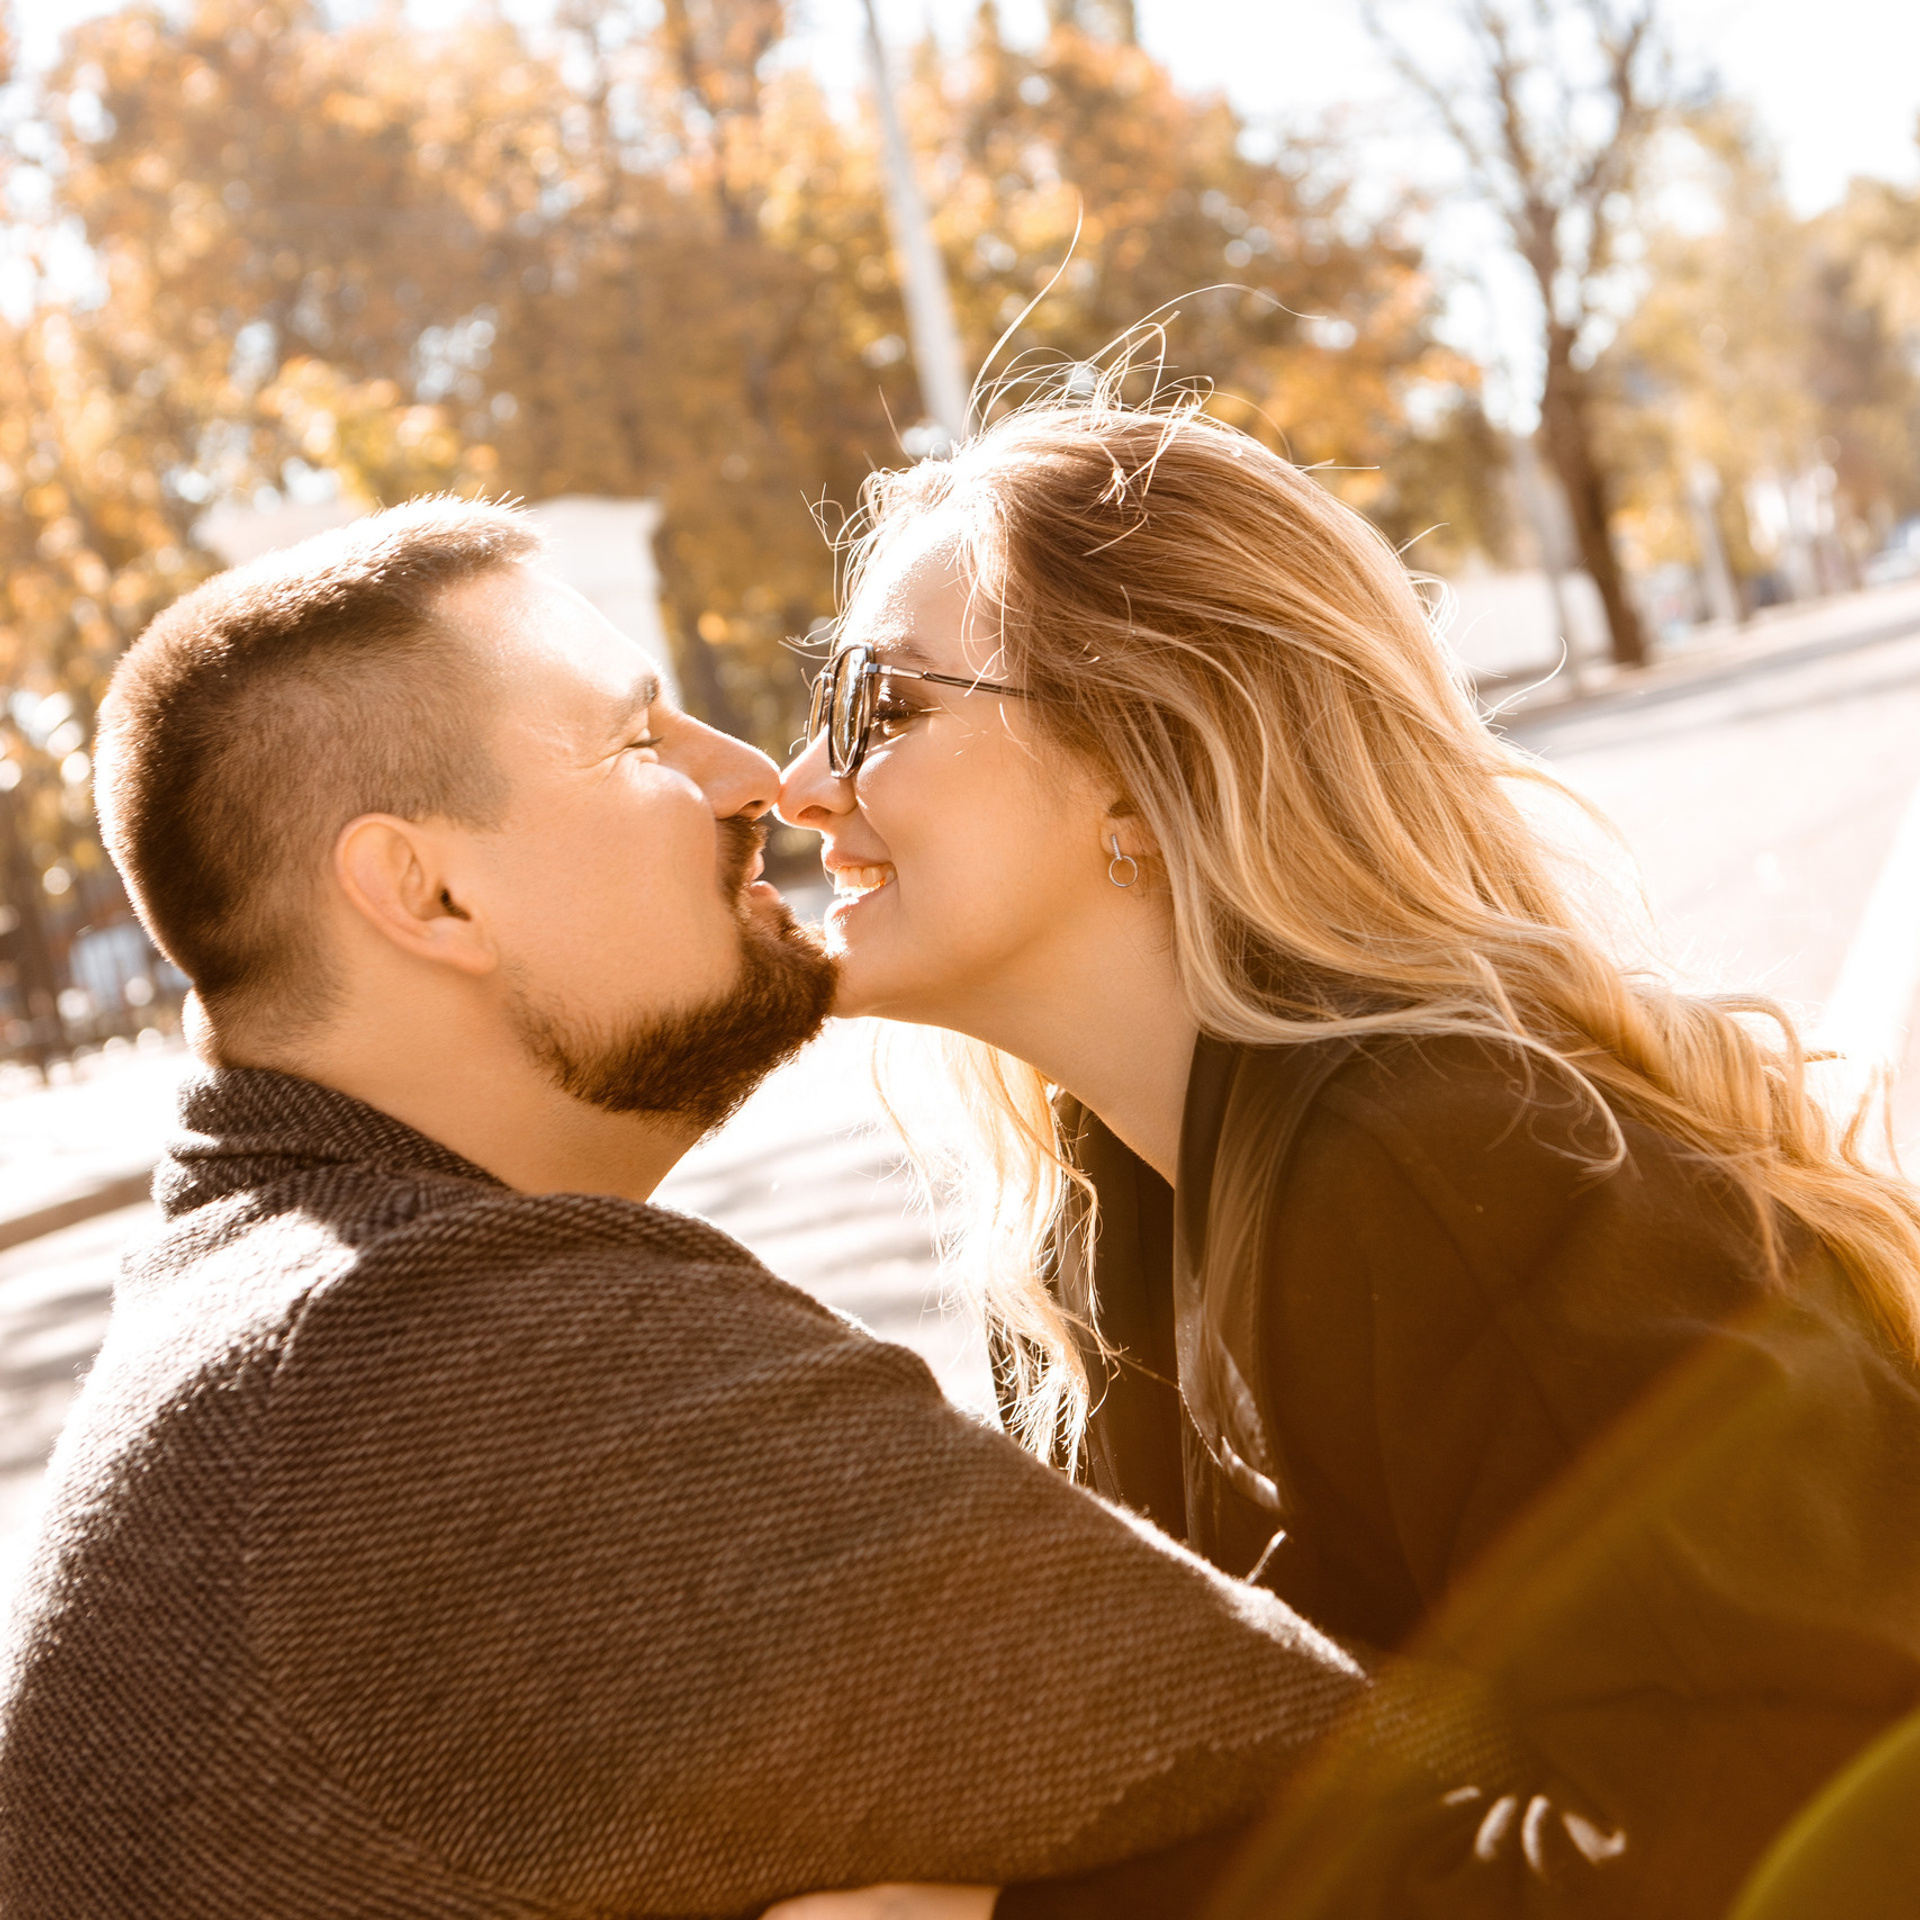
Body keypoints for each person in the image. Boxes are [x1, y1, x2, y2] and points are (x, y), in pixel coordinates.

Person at [0, 499, 1471, 1918]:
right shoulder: (450, 1363)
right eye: (639, 740)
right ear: (428, 896)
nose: (757, 779)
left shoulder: (278, 1322)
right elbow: (1485, 1846)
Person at [776, 390, 1920, 1918]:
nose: (801, 786)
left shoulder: (1458, 1171)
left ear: (1138, 745)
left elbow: (1797, 1830)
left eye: (881, 707)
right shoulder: (1079, 1237)